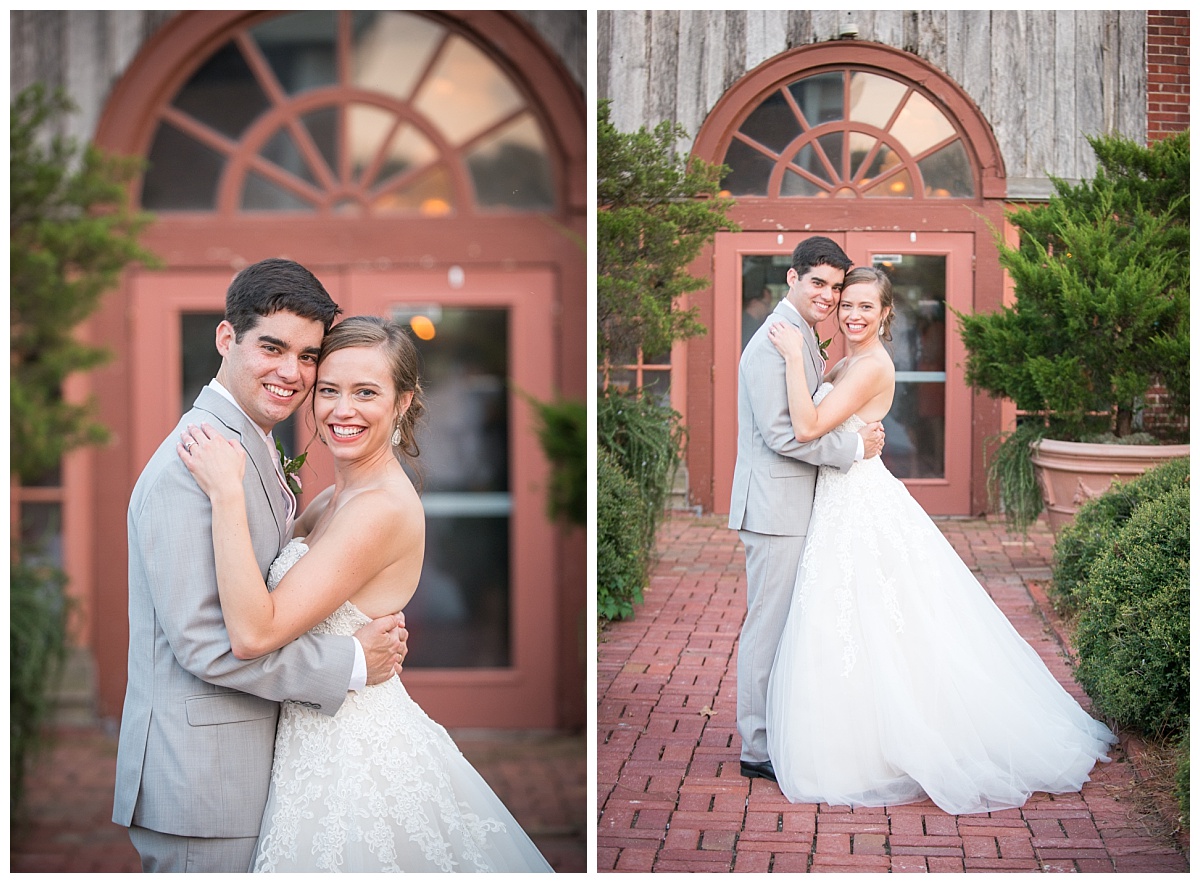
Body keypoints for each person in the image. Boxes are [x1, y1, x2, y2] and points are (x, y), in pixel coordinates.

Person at [178, 315, 554, 872]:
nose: (341, 409)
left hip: (351, 754)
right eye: (328, 390)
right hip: (312, 738)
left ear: (403, 402)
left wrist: (226, 495)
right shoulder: (336, 497)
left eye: (365, 393)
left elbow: (256, 631)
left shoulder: (378, 509)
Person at [763, 266, 1116, 814]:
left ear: (886, 314)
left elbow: (807, 427)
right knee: (850, 617)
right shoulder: (845, 358)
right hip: (839, 496)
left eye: (865, 307)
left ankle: (897, 742)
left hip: (858, 499)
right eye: (846, 304)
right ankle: (857, 738)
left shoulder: (871, 365)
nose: (853, 315)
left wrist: (789, 358)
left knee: (880, 617)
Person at [113, 259, 408, 872]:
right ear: (227, 338)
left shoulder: (251, 441)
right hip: (203, 783)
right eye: (272, 348)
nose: (292, 374)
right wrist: (350, 661)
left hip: (250, 770)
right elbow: (205, 643)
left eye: (307, 357)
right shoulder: (190, 466)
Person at [727, 237, 886, 783]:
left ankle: (780, 728)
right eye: (818, 283)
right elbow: (781, 433)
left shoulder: (802, 338)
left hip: (797, 504)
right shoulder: (774, 342)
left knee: (789, 624)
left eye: (837, 288)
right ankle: (756, 747)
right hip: (774, 507)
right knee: (766, 629)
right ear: (792, 279)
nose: (828, 296)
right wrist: (853, 448)